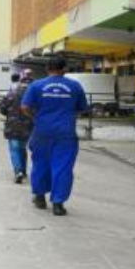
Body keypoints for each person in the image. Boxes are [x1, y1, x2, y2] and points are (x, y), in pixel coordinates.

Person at [21, 56, 88, 216]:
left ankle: (39, 197)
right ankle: (58, 203)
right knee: (63, 166)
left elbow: (24, 107)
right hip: (65, 132)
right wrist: (68, 115)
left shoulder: (36, 85)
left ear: (47, 68)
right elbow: (83, 108)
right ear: (64, 69)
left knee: (40, 163)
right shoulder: (75, 86)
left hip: (42, 130)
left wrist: (35, 117)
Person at [0, 73, 33, 184]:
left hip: (12, 126)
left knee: (14, 149)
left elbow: (2, 108)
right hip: (28, 126)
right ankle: (23, 171)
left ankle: (18, 171)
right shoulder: (34, 96)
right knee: (23, 149)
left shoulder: (11, 94)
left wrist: (10, 113)